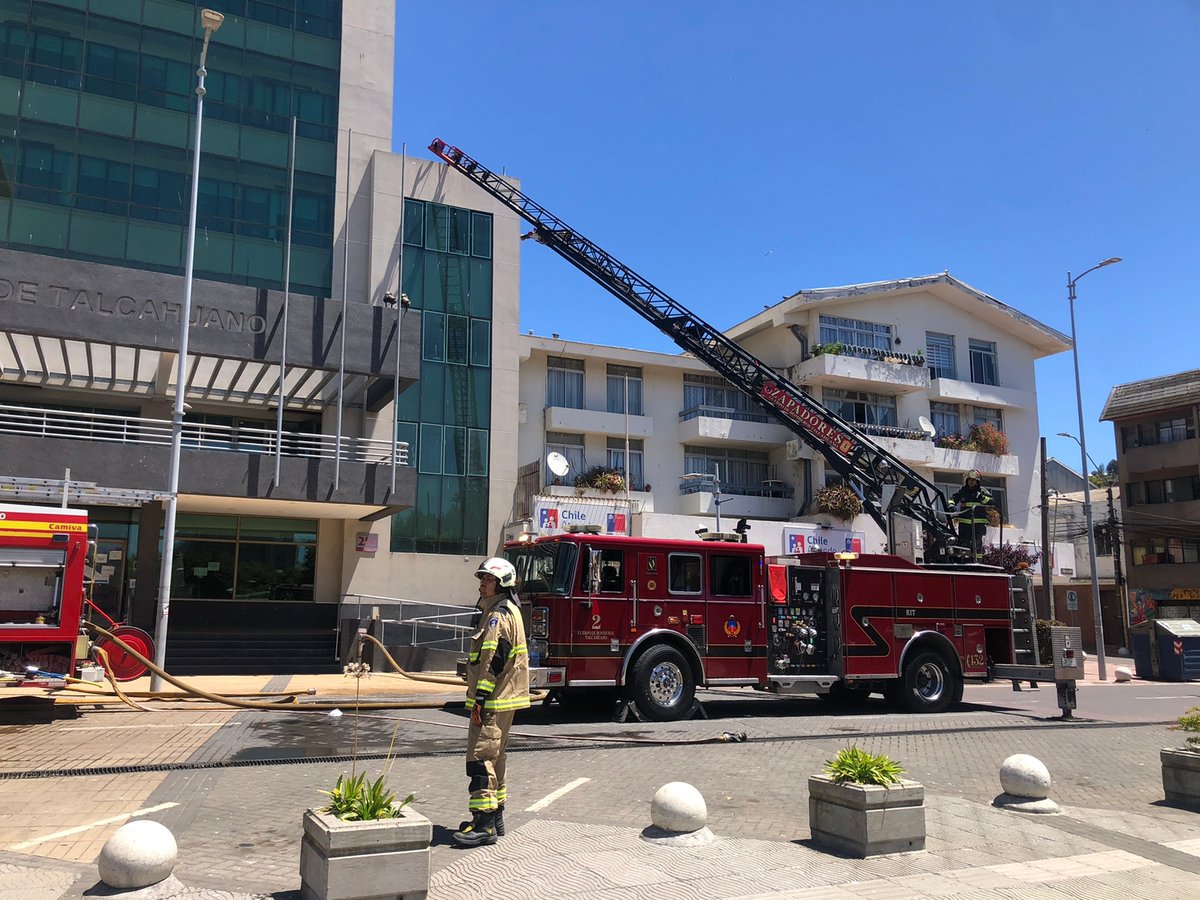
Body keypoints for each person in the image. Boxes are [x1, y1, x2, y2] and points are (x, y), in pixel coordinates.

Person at [453, 557, 530, 848]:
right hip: (503, 699)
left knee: (480, 759)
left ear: (501, 583)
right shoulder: (507, 610)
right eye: (482, 579)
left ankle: (483, 825)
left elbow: (491, 661)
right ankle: (495, 818)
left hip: (492, 702)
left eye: (487, 579)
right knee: (495, 758)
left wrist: (480, 699)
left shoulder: (498, 616)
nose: (481, 584)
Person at [951, 469, 993, 561]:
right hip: (964, 524)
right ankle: (965, 562)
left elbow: (992, 502)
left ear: (977, 482)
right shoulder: (962, 490)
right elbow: (952, 498)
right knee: (964, 544)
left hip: (978, 524)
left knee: (977, 544)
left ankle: (978, 563)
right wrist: (951, 505)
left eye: (973, 480)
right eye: (970, 480)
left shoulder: (982, 491)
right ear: (967, 480)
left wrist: (982, 498)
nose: (971, 482)